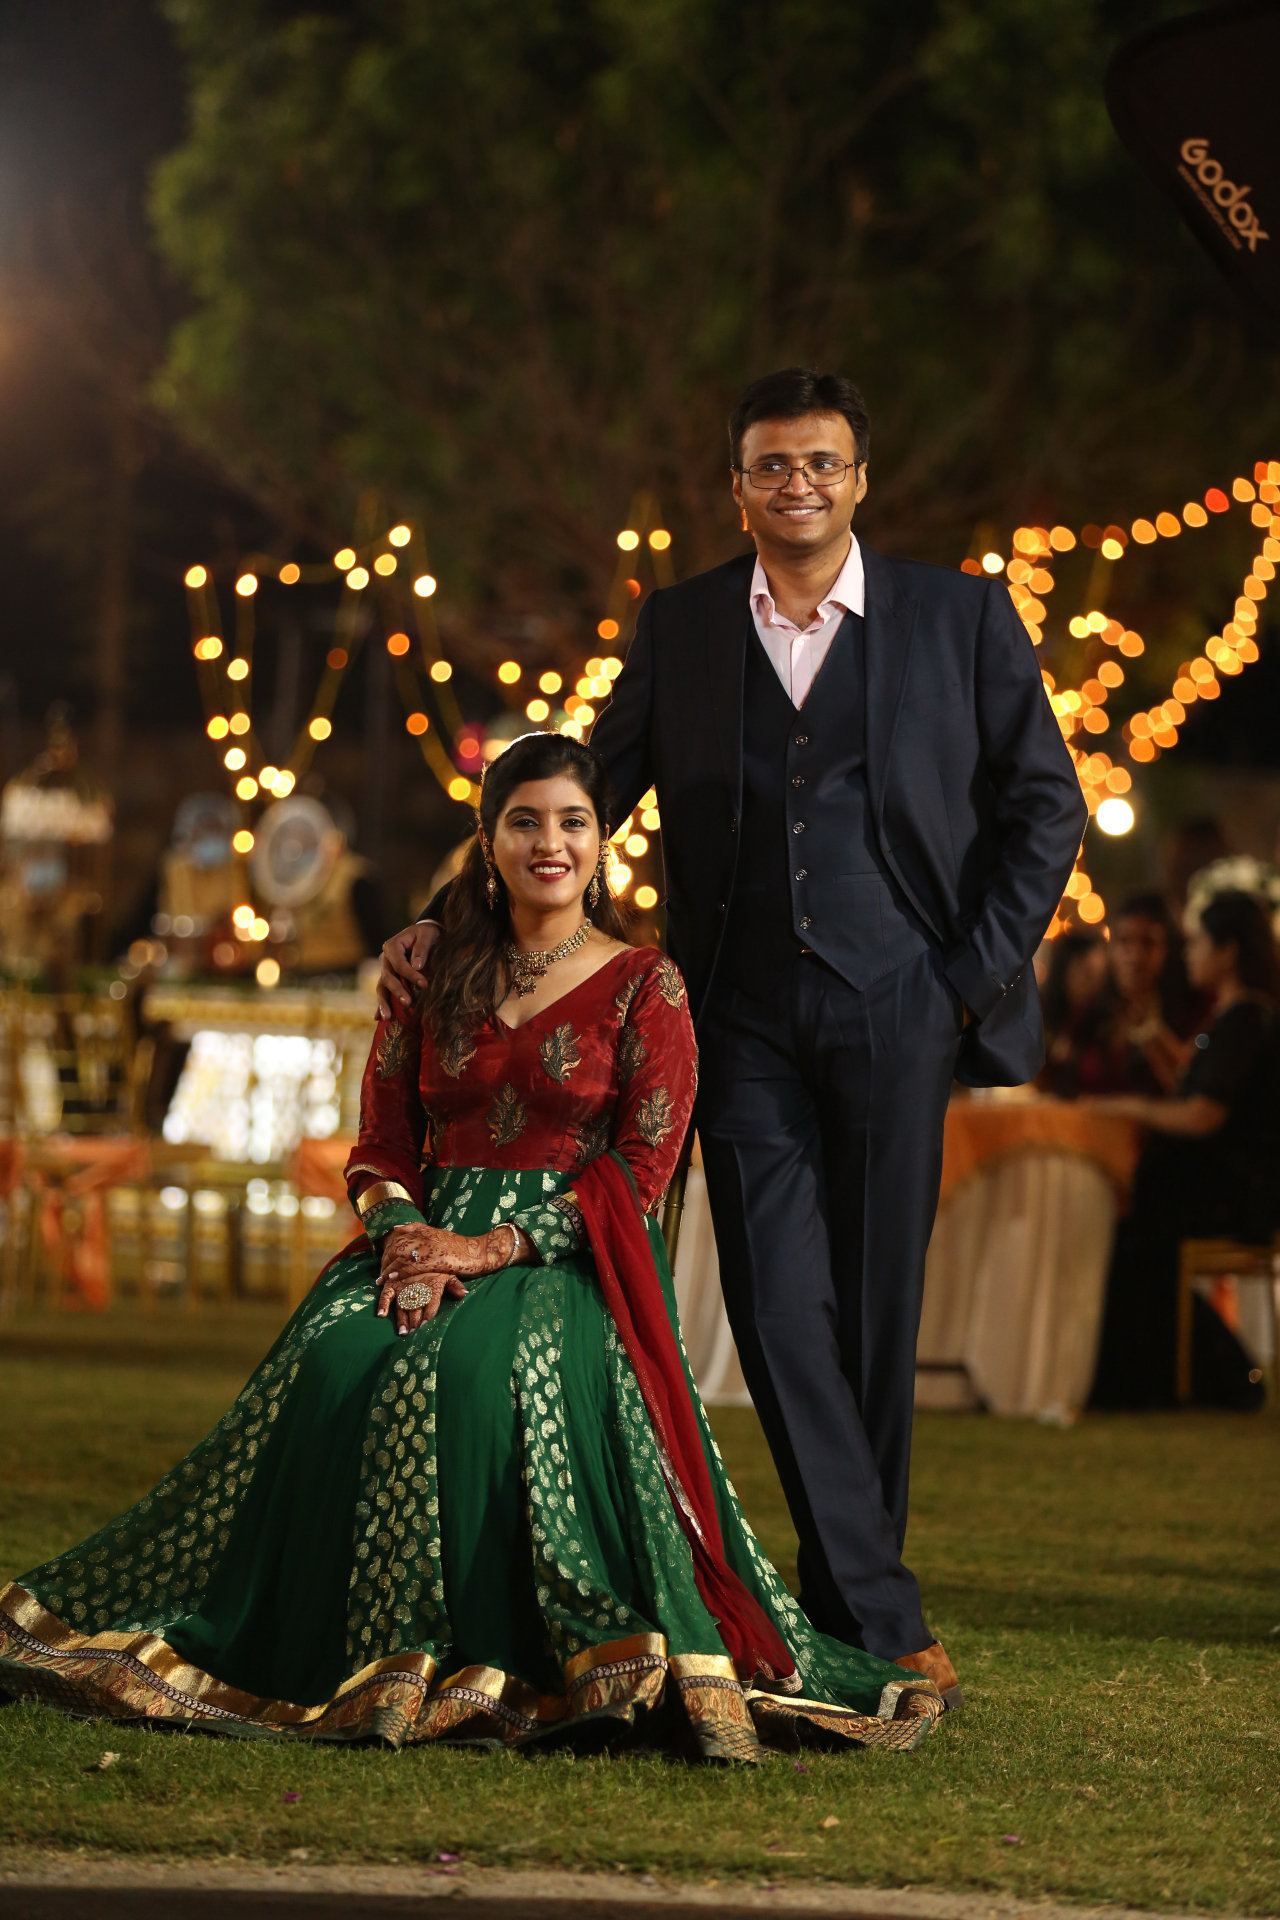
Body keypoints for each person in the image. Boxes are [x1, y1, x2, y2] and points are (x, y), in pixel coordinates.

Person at [0, 733, 943, 1757]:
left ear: (601, 842)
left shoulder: (645, 986)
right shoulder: (429, 973)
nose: (550, 843)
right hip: (418, 1240)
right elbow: (378, 1144)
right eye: (525, 821)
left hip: (568, 1260)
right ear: (487, 841)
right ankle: (318, 1641)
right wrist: (406, 1238)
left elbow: (639, 1173)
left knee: (474, 1370)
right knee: (333, 1356)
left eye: (572, 823)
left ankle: (477, 1643)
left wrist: (486, 1248)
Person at [379, 368, 1088, 1701]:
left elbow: (1045, 807)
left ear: (860, 482)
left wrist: (963, 980)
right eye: (773, 465)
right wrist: (443, 912)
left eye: (823, 464)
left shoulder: (962, 617)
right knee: (772, 1301)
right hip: (737, 1011)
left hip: (903, 1005)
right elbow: (581, 792)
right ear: (739, 486)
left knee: (879, 1313)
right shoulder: (687, 624)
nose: (798, 484)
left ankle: (849, 1602)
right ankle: (883, 1603)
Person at [1088, 889, 1280, 1410]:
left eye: (1197, 943)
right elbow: (1195, 1085)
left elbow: (1202, 1114)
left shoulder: (1244, 1019)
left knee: (1129, 1229)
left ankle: (1200, 1377)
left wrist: (1129, 1108)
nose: (1188, 955)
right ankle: (1182, 1375)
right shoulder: (1239, 1019)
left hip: (1233, 1194)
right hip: (1229, 1187)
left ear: (1229, 951)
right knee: (1133, 1226)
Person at [1037, 930, 1108, 1096]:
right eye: (1086, 974)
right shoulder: (1043, 1014)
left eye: (1100, 976)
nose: (1093, 986)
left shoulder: (1105, 1020)